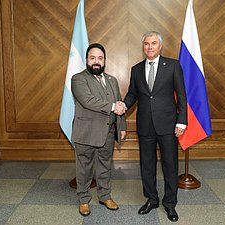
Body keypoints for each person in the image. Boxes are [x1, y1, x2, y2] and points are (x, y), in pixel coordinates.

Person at [122, 31, 187, 222]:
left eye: (153, 43)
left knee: (170, 165)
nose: (149, 47)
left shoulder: (173, 66)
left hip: (168, 125)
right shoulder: (136, 69)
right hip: (145, 125)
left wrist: (182, 120)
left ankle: (170, 204)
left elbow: (182, 96)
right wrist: (124, 105)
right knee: (147, 165)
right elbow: (133, 94)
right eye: (146, 44)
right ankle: (151, 199)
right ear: (143, 47)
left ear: (160, 46)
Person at [71, 43, 126, 216]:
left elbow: (119, 103)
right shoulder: (78, 79)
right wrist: (112, 106)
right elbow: (88, 101)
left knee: (105, 167)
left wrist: (121, 126)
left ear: (104, 61)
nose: (96, 61)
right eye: (92, 58)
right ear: (87, 60)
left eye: (100, 58)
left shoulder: (112, 80)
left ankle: (104, 196)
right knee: (84, 169)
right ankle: (83, 200)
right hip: (86, 132)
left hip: (107, 133)